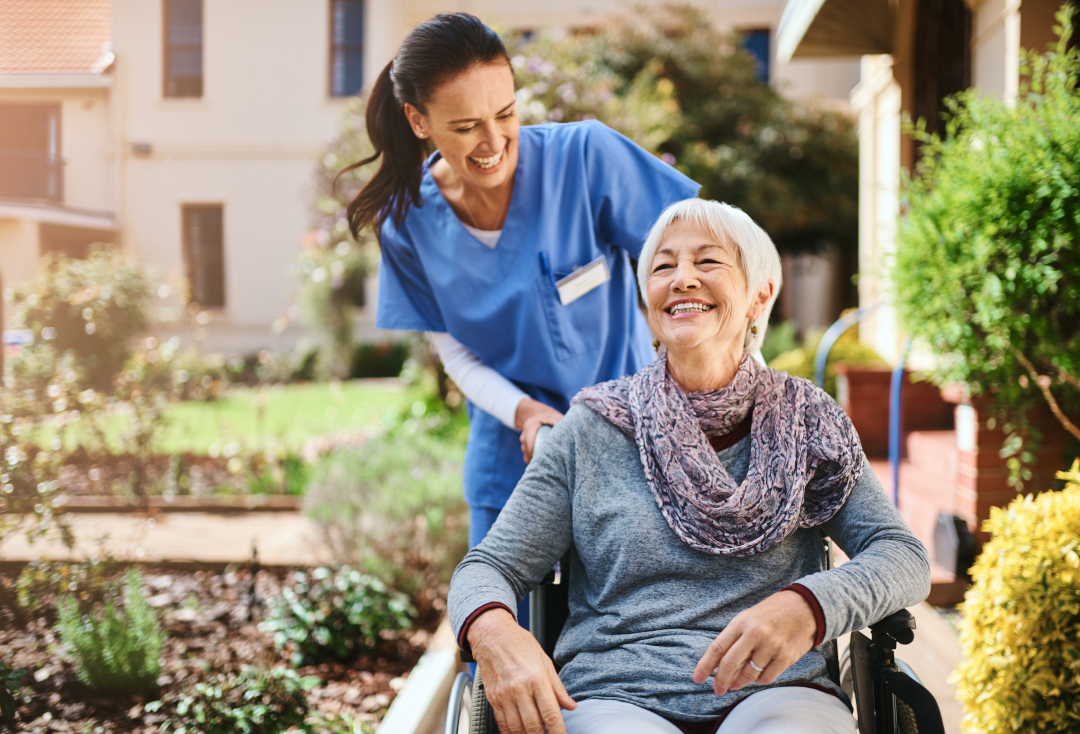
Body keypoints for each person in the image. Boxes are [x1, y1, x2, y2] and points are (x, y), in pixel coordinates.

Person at [447, 199, 931, 734]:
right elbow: (486, 567)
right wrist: (495, 632)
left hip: (778, 693)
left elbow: (903, 555)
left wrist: (810, 607)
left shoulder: (807, 420)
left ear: (759, 295)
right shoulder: (591, 429)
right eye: (663, 266)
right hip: (616, 696)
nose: (682, 279)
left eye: (707, 262)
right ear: (648, 304)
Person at [344, 11, 701, 608]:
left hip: (632, 443)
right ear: (419, 121)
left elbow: (699, 265)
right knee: (498, 623)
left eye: (505, 114)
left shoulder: (584, 158)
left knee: (634, 628)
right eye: (465, 127)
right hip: (510, 452)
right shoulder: (407, 221)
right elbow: (453, 350)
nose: (492, 142)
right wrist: (525, 413)